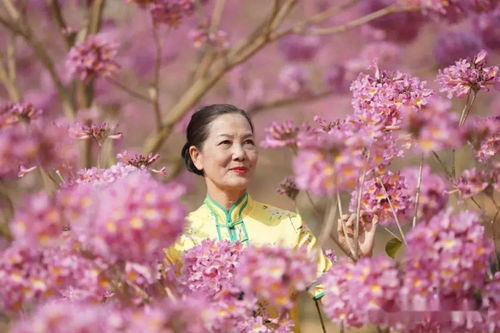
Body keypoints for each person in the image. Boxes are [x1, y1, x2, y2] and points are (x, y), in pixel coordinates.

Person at [165, 104, 377, 331]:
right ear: (197, 157)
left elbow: (342, 305)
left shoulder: (287, 226)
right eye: (226, 143)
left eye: (248, 143)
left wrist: (358, 259)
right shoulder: (174, 238)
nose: (240, 154)